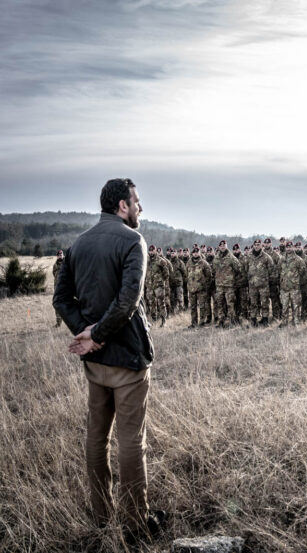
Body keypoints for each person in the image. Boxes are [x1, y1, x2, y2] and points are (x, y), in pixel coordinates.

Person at [52, 178, 165, 539]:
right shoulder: (134, 241)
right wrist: (95, 335)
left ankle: (102, 515)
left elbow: (61, 300)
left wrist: (85, 333)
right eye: (137, 202)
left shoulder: (78, 244)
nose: (140, 208)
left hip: (95, 363)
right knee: (132, 441)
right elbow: (129, 300)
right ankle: (135, 524)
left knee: (96, 438)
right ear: (122, 206)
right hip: (128, 361)